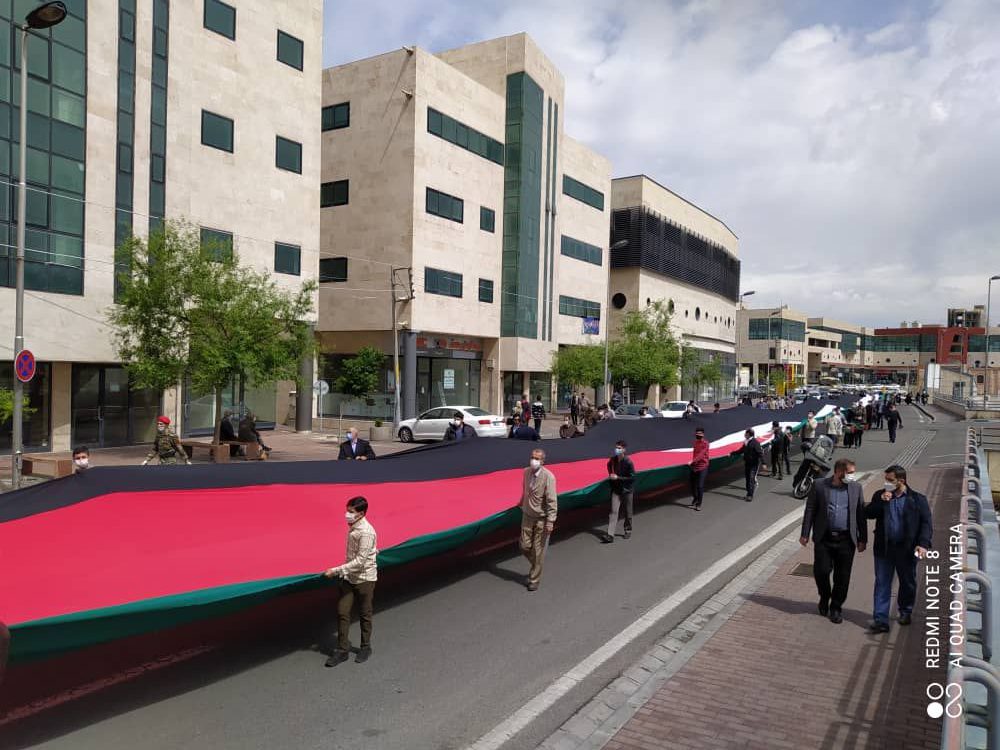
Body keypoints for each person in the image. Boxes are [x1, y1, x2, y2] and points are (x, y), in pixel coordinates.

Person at [864, 465, 933, 633]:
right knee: (882, 583)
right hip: (885, 548)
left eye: (890, 480)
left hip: (907, 549)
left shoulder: (917, 499)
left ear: (901, 481)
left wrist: (923, 544)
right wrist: (881, 501)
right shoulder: (880, 495)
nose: (886, 483)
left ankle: (905, 611)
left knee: (907, 582)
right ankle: (881, 619)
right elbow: (868, 513)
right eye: (886, 479)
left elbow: (926, 523)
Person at [799, 458, 867, 624]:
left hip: (846, 540)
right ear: (838, 472)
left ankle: (836, 607)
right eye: (850, 473)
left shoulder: (856, 488)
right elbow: (810, 509)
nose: (852, 476)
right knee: (821, 571)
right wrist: (805, 533)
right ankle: (824, 596)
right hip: (824, 538)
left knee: (842, 577)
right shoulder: (819, 485)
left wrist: (863, 539)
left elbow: (860, 514)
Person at [323, 496, 378, 666]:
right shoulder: (354, 527)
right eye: (347, 510)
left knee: (365, 613)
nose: (347, 514)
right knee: (342, 612)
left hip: (364, 579)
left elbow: (360, 561)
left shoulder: (366, 532)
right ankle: (342, 650)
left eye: (351, 511)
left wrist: (336, 571)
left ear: (361, 513)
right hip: (349, 577)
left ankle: (365, 647)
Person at [518, 448, 557, 591]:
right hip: (527, 515)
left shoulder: (548, 477)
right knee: (524, 546)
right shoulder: (526, 472)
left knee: (537, 550)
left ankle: (534, 579)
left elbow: (552, 500)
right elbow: (525, 490)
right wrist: (521, 502)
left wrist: (550, 521)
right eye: (532, 457)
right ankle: (537, 565)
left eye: (537, 458)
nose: (533, 460)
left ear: (542, 461)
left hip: (541, 518)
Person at [602, 440, 635, 542]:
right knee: (613, 511)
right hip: (616, 490)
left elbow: (632, 478)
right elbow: (608, 465)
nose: (617, 450)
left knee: (628, 512)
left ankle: (628, 530)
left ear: (624, 450)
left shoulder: (628, 462)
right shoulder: (612, 460)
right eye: (616, 448)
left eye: (619, 448)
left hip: (627, 490)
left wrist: (618, 478)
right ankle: (610, 535)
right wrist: (611, 474)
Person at [739, 429, 763, 502]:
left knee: (751, 479)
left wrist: (764, 463)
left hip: (754, 464)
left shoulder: (755, 442)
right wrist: (732, 453)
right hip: (747, 463)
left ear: (749, 434)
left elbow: (760, 453)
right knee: (747, 478)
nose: (744, 435)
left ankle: (750, 495)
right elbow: (741, 450)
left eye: (745, 434)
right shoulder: (746, 442)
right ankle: (748, 492)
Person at [689, 427, 710, 511]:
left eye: (700, 434)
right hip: (694, 466)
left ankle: (699, 504)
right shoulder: (695, 443)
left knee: (700, 486)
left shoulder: (706, 443)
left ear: (703, 435)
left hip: (703, 467)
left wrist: (692, 461)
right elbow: (694, 454)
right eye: (697, 434)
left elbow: (701, 454)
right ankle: (695, 498)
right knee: (692, 484)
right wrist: (693, 463)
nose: (698, 435)